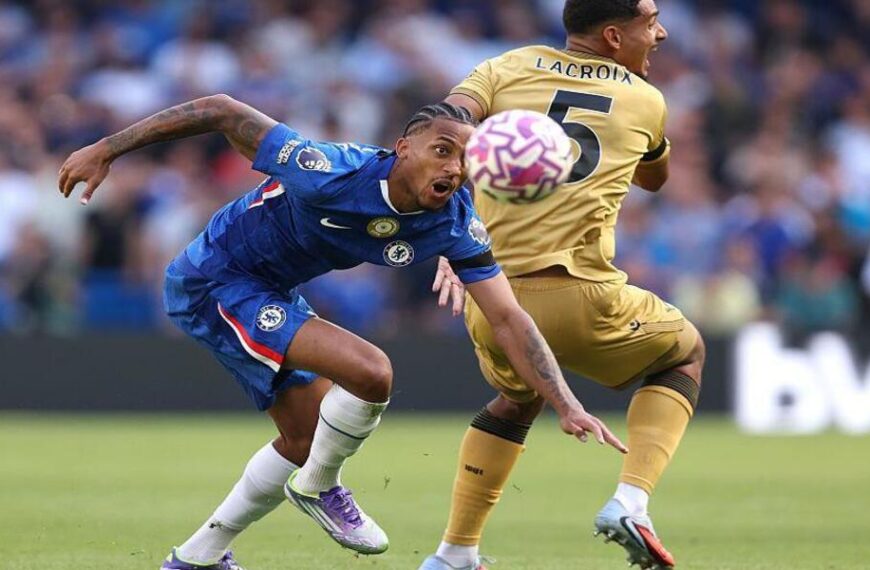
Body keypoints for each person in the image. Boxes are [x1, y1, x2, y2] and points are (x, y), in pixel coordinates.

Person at [58, 95, 627, 570]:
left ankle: (198, 557)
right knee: (370, 372)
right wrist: (106, 149)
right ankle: (321, 487)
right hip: (214, 281)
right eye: (442, 149)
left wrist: (566, 403)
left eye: (467, 157)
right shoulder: (330, 168)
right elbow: (220, 110)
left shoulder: (453, 222)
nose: (454, 167)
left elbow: (508, 317)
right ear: (403, 149)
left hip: (272, 293)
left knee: (305, 440)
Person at [419, 1, 705, 569]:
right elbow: (655, 177)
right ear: (615, 36)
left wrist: (449, 225)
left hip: (492, 299)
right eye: (651, 22)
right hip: (581, 295)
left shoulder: (503, 68)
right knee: (686, 351)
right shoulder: (646, 101)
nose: (662, 32)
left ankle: (454, 553)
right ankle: (632, 501)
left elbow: (441, 125)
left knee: (516, 400)